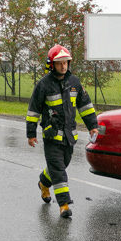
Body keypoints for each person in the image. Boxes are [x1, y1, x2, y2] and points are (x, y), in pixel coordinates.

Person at [26, 45, 99, 218]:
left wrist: (92, 125)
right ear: (52, 64)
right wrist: (31, 133)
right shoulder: (44, 84)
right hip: (52, 137)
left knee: (61, 165)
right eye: (59, 63)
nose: (63, 66)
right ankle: (64, 204)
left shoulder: (74, 82)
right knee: (59, 170)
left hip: (69, 137)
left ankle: (44, 183)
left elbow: (85, 105)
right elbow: (33, 109)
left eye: (65, 62)